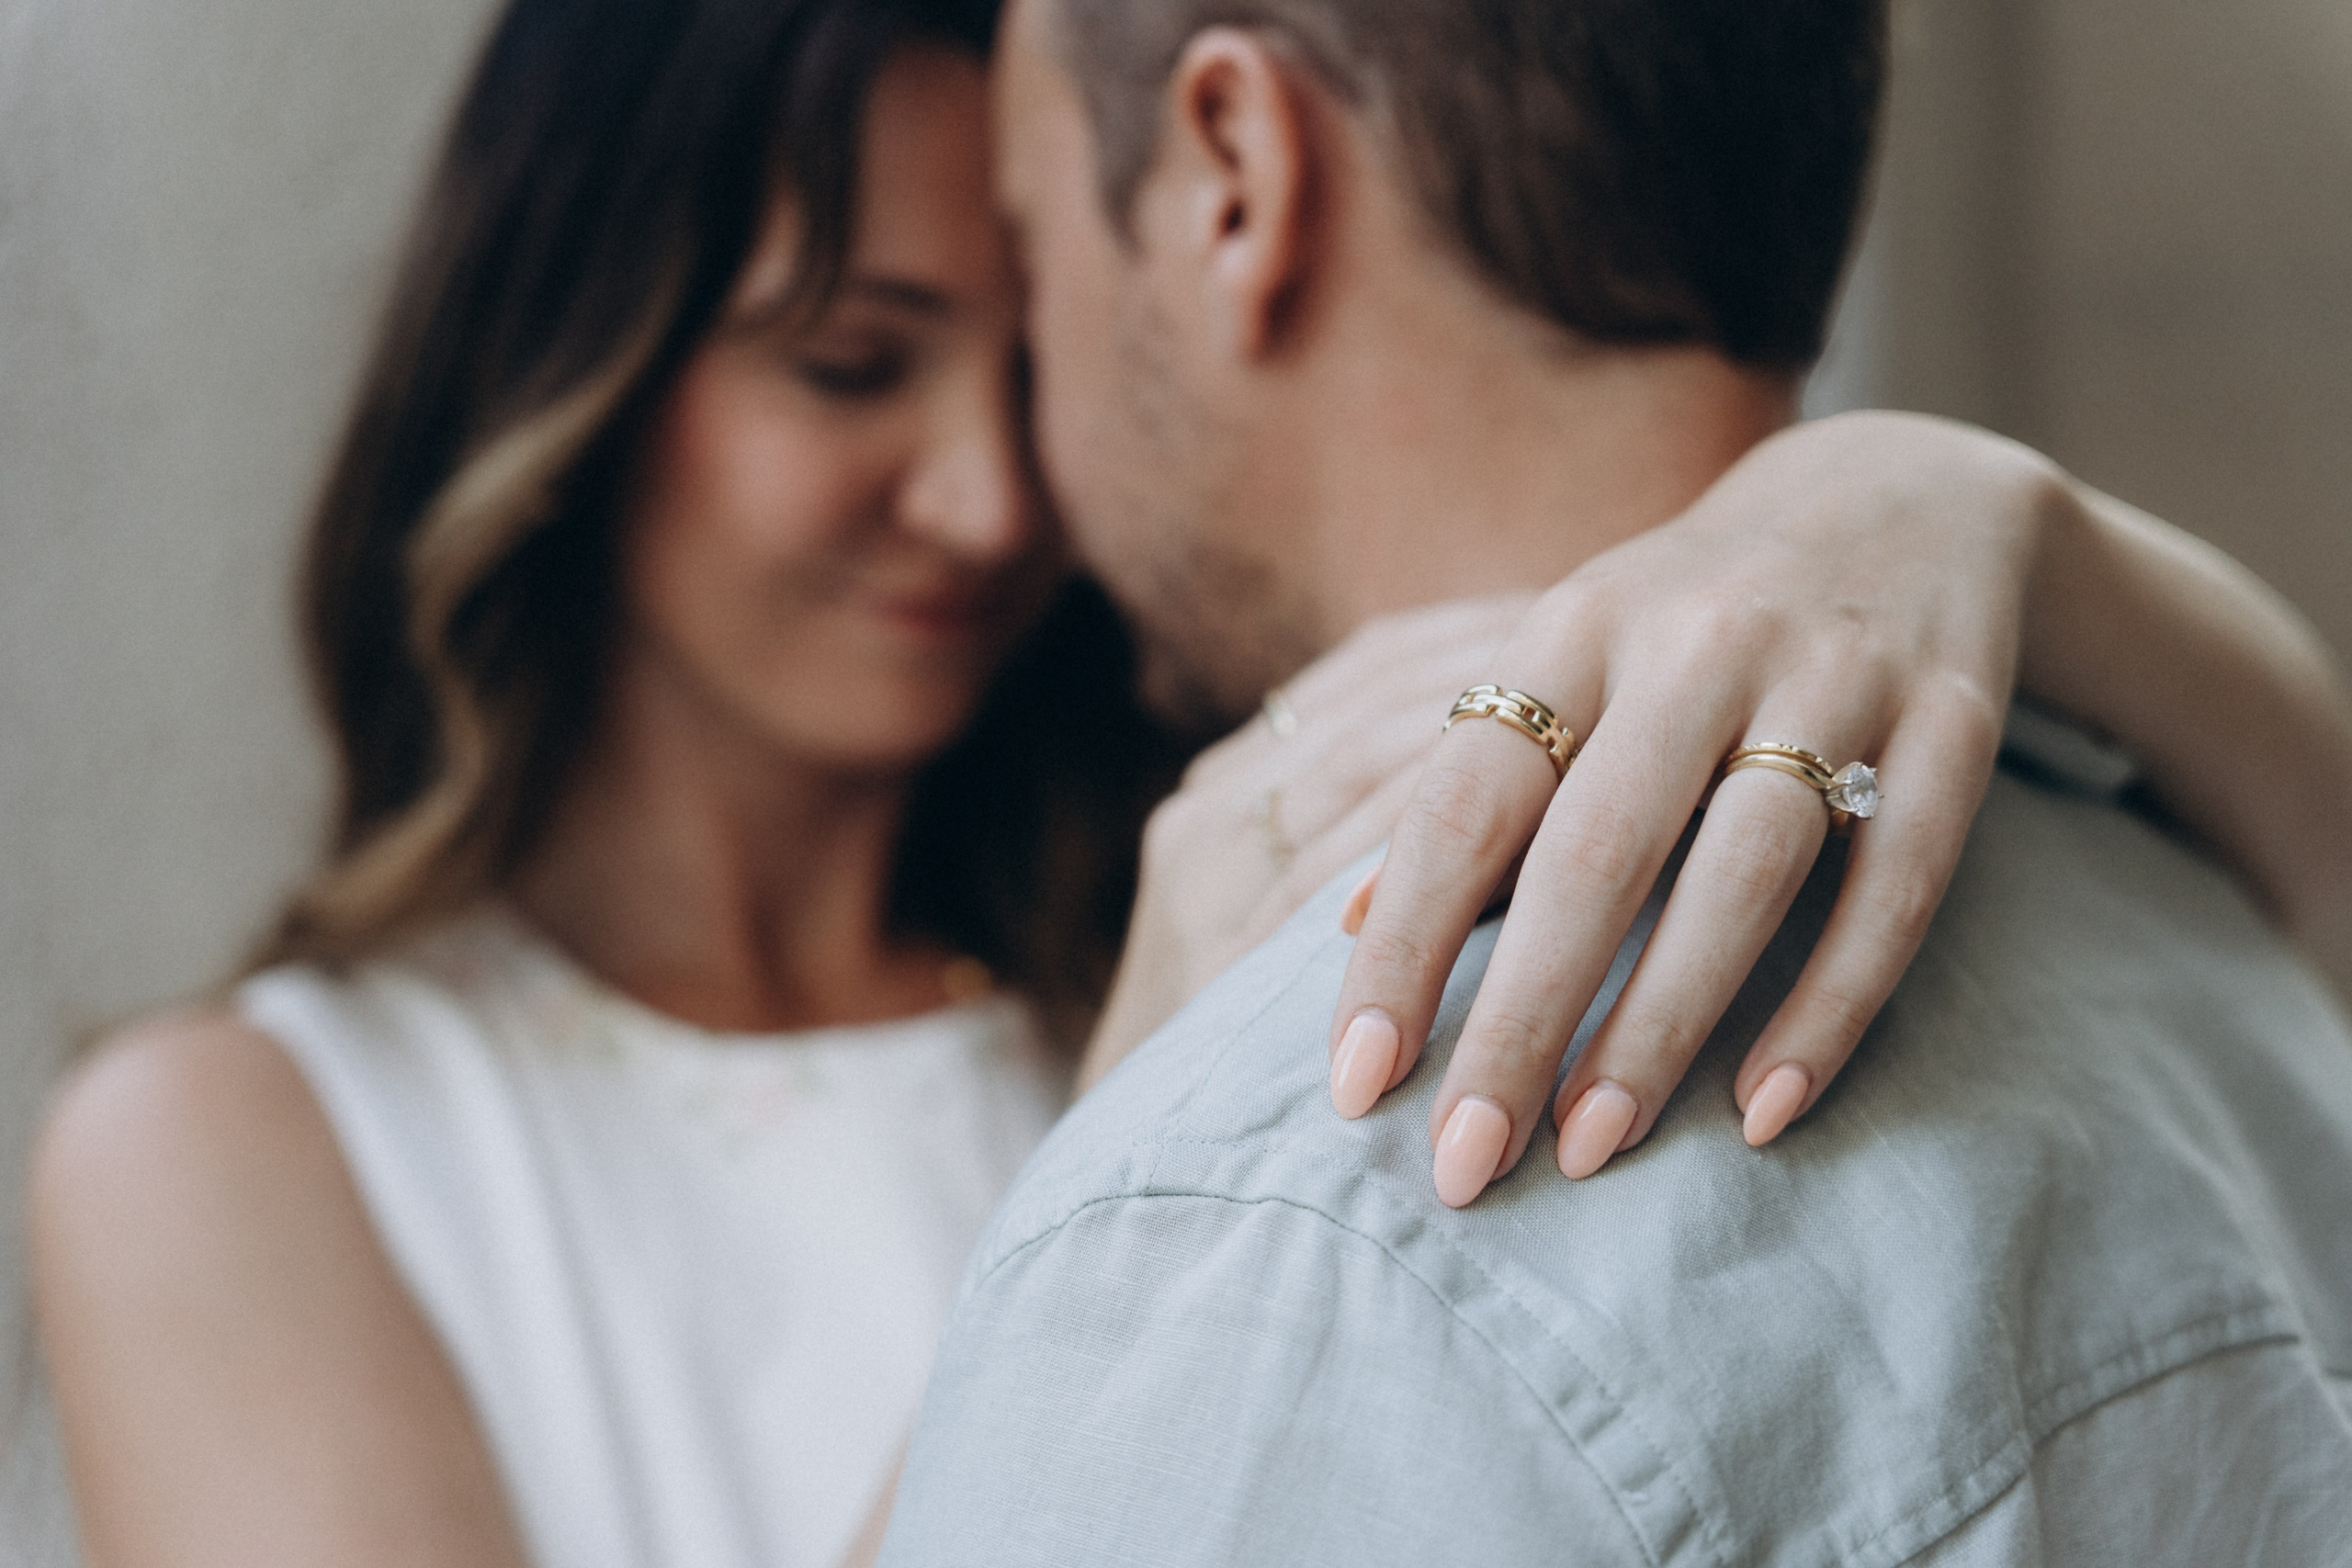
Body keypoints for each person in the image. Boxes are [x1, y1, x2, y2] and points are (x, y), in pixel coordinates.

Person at [26, 0, 2350, 1564]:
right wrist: (1121, 1119)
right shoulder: (244, 1142)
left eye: (1026, 329)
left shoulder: (1316, 872)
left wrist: (1964, 510)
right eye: (849, 363)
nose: (989, 493)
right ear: (573, 365)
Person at [876, 0, 2352, 1560]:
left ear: (1234, 168)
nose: (1009, 485)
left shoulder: (1264, 1253)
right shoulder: (2203, 914)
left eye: (1031, 257)